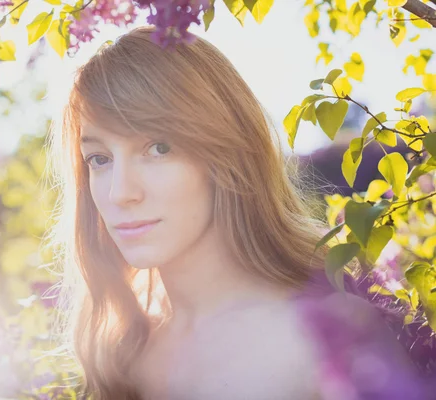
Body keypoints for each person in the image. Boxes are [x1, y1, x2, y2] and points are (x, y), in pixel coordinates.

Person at [44, 25, 430, 399]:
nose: (120, 192)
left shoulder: (315, 341)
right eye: (98, 158)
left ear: (225, 152)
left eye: (158, 148)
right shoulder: (121, 347)